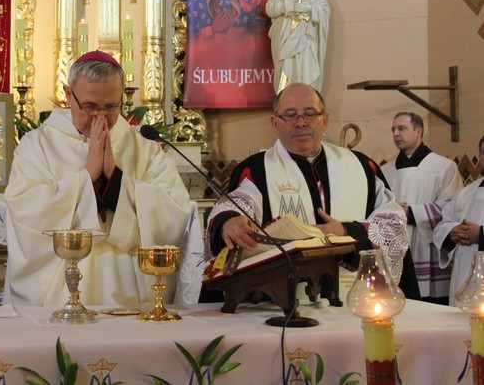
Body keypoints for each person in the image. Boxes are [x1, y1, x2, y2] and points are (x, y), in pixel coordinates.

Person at [4, 50, 191, 307]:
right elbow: (25, 209)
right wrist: (87, 178)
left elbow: (175, 209)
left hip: (128, 289)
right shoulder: (37, 146)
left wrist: (116, 179)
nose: (100, 117)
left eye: (111, 107)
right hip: (58, 292)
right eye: (90, 106)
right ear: (69, 95)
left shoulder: (143, 149)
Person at [202, 83, 417, 302]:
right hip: (279, 308)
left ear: (324, 120)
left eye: (310, 113)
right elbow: (240, 201)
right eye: (290, 115)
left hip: (357, 303)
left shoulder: (362, 166)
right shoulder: (257, 170)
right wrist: (228, 222)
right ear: (275, 124)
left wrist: (345, 231)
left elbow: (393, 224)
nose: (301, 123)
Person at [381, 112, 463, 304]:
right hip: (397, 247)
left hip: (428, 248)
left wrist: (412, 213)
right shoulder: (386, 170)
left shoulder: (444, 166)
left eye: (402, 128)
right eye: (393, 130)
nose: (396, 134)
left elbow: (453, 208)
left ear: (418, 132)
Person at [266, 0, 331, 93]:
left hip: (306, 38)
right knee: (285, 71)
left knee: (306, 70)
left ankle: (309, 99)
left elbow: (324, 8)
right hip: (284, 37)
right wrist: (289, 3)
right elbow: (270, 8)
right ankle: (284, 102)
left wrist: (308, 8)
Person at [433, 136, 484, 306]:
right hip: (464, 274)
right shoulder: (467, 192)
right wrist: (452, 233)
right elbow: (443, 223)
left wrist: (481, 235)